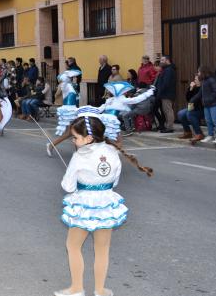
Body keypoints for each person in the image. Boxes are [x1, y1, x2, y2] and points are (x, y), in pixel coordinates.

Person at [55, 110, 152, 296]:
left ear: (88, 138)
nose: (73, 141)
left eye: (75, 138)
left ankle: (76, 288)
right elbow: (115, 181)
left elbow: (67, 186)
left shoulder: (79, 156)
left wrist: (79, 181)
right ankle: (100, 290)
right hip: (106, 203)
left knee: (73, 246)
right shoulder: (112, 150)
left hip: (84, 205)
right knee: (102, 249)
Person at [190, 66, 216, 144]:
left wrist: (209, 99)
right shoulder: (204, 81)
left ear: (203, 72)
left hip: (213, 104)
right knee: (208, 120)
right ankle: (210, 135)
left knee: (215, 120)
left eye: (199, 72)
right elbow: (200, 93)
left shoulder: (211, 80)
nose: (198, 74)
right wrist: (192, 100)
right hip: (206, 105)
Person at [177, 74, 204, 142]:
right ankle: (188, 132)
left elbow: (199, 100)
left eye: (195, 79)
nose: (194, 81)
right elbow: (188, 99)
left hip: (201, 109)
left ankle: (199, 133)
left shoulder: (202, 88)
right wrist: (190, 89)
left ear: (200, 81)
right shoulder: (194, 88)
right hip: (193, 108)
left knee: (189, 114)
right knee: (181, 114)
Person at [155, 56, 176, 133]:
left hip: (167, 94)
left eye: (162, 60)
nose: (161, 62)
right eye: (161, 60)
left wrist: (160, 92)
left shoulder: (169, 70)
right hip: (166, 93)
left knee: (168, 110)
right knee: (166, 110)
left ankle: (170, 127)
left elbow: (166, 83)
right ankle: (168, 126)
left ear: (167, 60)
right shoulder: (167, 69)